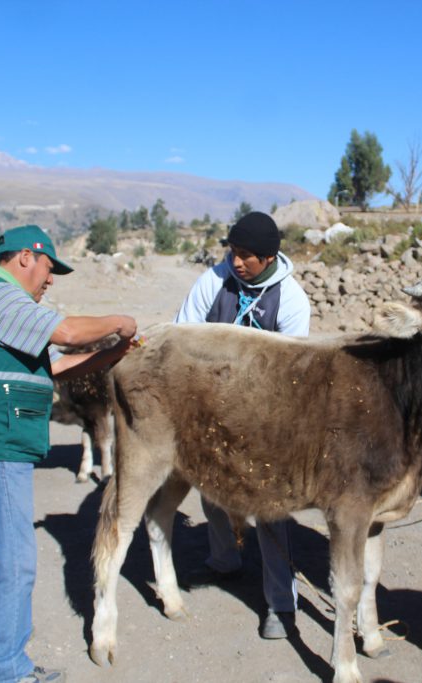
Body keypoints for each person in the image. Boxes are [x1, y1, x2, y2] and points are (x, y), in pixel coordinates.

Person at [0, 225, 137, 683]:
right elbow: (69, 332)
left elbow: (58, 365)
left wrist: (112, 353)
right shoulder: (0, 297)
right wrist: (119, 321)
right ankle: (5, 669)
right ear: (27, 258)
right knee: (13, 562)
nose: (50, 280)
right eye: (50, 268)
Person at [174, 211, 311, 640]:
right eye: (233, 253)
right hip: (212, 408)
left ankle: (282, 604)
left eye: (247, 256)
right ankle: (224, 559)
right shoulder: (213, 281)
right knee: (211, 490)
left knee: (269, 508)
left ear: (269, 257)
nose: (237, 262)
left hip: (265, 417)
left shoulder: (290, 299)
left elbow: (292, 371)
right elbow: (183, 337)